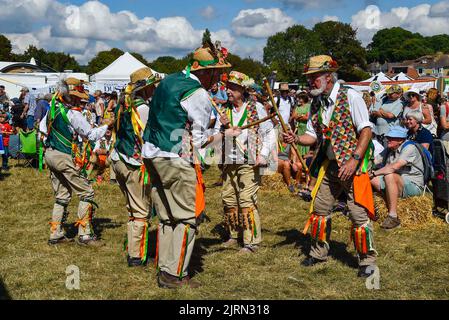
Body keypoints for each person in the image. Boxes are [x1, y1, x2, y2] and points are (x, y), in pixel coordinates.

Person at [141, 39, 232, 289]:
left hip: (150, 153)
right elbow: (202, 142)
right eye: (217, 73)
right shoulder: (198, 93)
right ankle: (175, 275)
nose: (219, 79)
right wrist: (225, 135)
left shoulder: (168, 80)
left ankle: (166, 268)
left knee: (168, 217)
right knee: (185, 219)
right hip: (174, 156)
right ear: (206, 71)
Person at [282, 55, 378, 278]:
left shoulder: (351, 97)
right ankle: (318, 253)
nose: (310, 82)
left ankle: (367, 261)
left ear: (328, 77)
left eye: (314, 78)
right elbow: (312, 136)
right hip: (330, 166)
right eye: (309, 78)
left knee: (358, 214)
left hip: (354, 167)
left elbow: (366, 130)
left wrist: (354, 159)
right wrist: (294, 139)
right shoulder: (317, 102)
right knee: (320, 210)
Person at [39, 77, 114, 246]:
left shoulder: (53, 109)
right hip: (63, 156)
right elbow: (91, 135)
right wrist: (107, 126)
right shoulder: (74, 114)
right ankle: (85, 235)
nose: (81, 100)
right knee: (86, 192)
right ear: (71, 97)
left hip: (50, 154)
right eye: (78, 97)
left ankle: (55, 234)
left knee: (62, 195)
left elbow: (41, 132)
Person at [212, 71, 275, 251]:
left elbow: (270, 133)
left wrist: (262, 154)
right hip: (229, 162)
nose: (228, 91)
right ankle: (233, 235)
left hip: (249, 161)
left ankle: (251, 242)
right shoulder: (224, 111)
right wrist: (222, 127)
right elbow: (216, 137)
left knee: (246, 200)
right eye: (227, 88)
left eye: (232, 88)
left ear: (242, 89)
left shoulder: (256, 108)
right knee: (229, 199)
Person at [110, 67, 158, 267]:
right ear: (146, 89)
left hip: (118, 160)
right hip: (133, 164)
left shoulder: (123, 105)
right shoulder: (144, 109)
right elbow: (151, 138)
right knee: (140, 210)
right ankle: (136, 256)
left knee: (132, 208)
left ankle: (133, 247)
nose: (155, 89)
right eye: (153, 86)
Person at [370, 126, 425, 230]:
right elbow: (374, 161)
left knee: (389, 175)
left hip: (413, 185)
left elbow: (394, 167)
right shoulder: (389, 149)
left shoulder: (409, 148)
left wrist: (374, 173)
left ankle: (393, 216)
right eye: (388, 137)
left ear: (400, 140)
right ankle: (368, 208)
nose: (387, 139)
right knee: (368, 177)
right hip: (396, 182)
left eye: (391, 138)